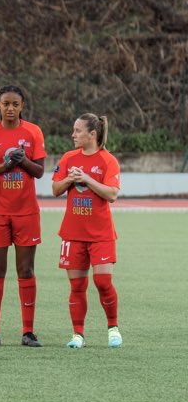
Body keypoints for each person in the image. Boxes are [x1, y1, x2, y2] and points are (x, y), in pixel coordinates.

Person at [0, 86, 46, 347]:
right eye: (6, 103)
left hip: (26, 212)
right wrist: (6, 165)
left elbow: (39, 171)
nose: (10, 108)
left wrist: (23, 161)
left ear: (22, 106)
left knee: (26, 270)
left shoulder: (33, 132)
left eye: (15, 104)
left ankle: (28, 332)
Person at [51, 113, 122, 349]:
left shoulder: (108, 160)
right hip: (72, 233)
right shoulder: (69, 158)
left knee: (103, 282)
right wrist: (69, 180)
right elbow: (55, 189)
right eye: (74, 130)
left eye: (78, 131)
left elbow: (112, 194)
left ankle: (113, 328)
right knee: (77, 286)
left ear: (92, 134)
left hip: (101, 234)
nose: (73, 135)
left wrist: (87, 179)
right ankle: (78, 335)